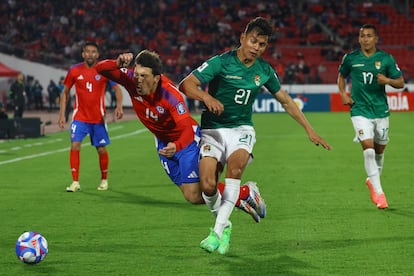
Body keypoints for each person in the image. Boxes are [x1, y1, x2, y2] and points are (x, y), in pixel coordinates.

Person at [179, 17, 331, 254]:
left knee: (235, 170)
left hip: (242, 130)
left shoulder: (265, 70)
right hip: (212, 130)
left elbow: (286, 101)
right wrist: (207, 98)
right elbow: (186, 84)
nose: (256, 47)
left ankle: (217, 232)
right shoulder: (221, 62)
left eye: (262, 44)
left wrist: (309, 130)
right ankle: (230, 216)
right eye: (253, 41)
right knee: (207, 186)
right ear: (242, 38)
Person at [95, 49, 265, 223]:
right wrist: (116, 63)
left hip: (186, 142)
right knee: (193, 197)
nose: (138, 80)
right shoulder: (131, 81)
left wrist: (177, 146)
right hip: (163, 144)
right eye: (137, 74)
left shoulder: (171, 96)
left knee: (196, 193)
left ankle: (242, 194)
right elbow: (99, 68)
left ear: (156, 78)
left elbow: (185, 128)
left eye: (144, 76)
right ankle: (243, 194)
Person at [337, 24, 405, 209]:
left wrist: (387, 81)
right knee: (368, 150)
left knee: (379, 151)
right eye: (362, 36)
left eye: (369, 36)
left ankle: (372, 182)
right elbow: (341, 76)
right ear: (359, 39)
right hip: (359, 110)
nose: (365, 39)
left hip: (381, 111)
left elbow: (401, 83)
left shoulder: (386, 59)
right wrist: (343, 94)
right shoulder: (351, 59)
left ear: (376, 39)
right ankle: (380, 193)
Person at [58, 41, 124, 192]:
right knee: (75, 145)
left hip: (98, 119)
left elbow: (117, 90)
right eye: (87, 51)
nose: (90, 54)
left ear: (98, 54)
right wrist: (62, 114)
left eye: (93, 51)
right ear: (83, 54)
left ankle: (104, 180)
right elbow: (65, 92)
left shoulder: (104, 70)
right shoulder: (74, 70)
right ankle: (75, 182)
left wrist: (119, 107)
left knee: (101, 149)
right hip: (79, 117)